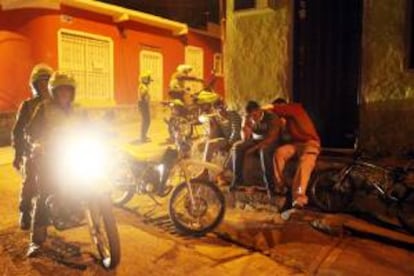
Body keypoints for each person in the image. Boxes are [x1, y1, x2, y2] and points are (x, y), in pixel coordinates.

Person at [25, 72, 78, 257]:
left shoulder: (77, 109)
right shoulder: (44, 108)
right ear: (54, 92)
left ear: (73, 92)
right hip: (51, 157)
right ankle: (36, 240)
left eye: (68, 90)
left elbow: (89, 126)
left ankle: (73, 212)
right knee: (45, 192)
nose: (64, 94)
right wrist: (38, 144)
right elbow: (30, 131)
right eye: (60, 90)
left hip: (74, 154)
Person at [11, 63, 53, 230]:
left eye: (46, 82)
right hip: (34, 150)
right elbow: (18, 131)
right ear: (34, 85)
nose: (43, 85)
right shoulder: (27, 105)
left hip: (56, 149)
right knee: (30, 181)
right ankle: (25, 210)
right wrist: (18, 153)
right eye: (40, 82)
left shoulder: (58, 104)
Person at [270, 98, 321, 208]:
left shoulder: (295, 108)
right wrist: (282, 126)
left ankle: (299, 198)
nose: (280, 113)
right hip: (296, 145)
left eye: (281, 108)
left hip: (310, 143)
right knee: (279, 153)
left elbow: (273, 109)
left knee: (304, 165)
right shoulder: (286, 120)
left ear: (284, 106)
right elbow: (285, 138)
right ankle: (281, 186)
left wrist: (261, 108)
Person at [230, 101, 281, 198]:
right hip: (257, 140)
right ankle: (237, 180)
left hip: (272, 141)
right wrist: (244, 128)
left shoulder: (272, 117)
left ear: (259, 110)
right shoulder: (249, 119)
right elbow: (245, 139)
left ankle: (270, 186)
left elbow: (271, 138)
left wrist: (254, 148)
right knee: (237, 147)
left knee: (263, 151)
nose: (254, 117)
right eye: (251, 116)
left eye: (255, 114)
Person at [138, 71, 153, 143]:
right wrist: (146, 92)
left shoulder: (144, 86)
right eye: (148, 80)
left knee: (147, 120)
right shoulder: (143, 86)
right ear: (145, 79)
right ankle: (143, 137)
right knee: (146, 120)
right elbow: (142, 94)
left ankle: (144, 135)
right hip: (143, 104)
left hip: (144, 104)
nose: (149, 82)